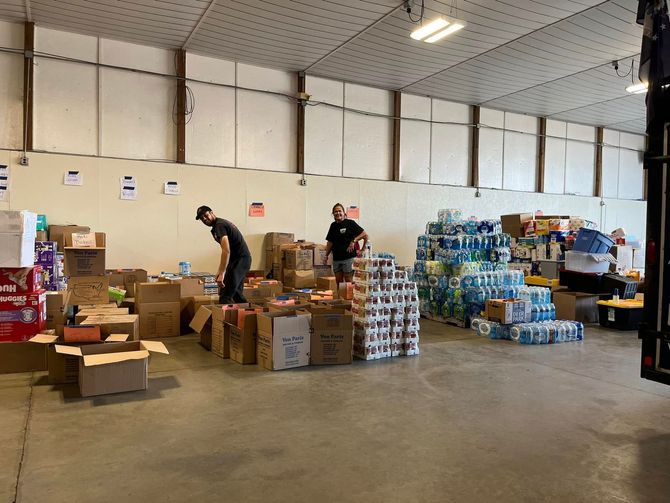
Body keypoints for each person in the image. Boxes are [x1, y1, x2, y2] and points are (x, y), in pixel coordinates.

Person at [196, 205, 251, 304]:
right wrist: (221, 271)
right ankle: (249, 315)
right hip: (238, 260)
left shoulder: (219, 225)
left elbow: (226, 250)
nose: (204, 219)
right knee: (236, 293)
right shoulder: (217, 226)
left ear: (212, 212)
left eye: (205, 215)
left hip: (241, 260)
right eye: (201, 218)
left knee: (225, 295)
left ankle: (222, 319)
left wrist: (221, 272)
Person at [324, 203, 368, 285]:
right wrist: (326, 255)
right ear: (333, 214)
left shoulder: (350, 223)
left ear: (344, 213)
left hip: (349, 258)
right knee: (338, 282)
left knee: (348, 281)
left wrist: (357, 245)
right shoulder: (333, 226)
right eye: (335, 211)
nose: (338, 213)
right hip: (336, 259)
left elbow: (365, 235)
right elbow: (330, 242)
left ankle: (349, 298)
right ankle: (340, 297)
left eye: (339, 211)